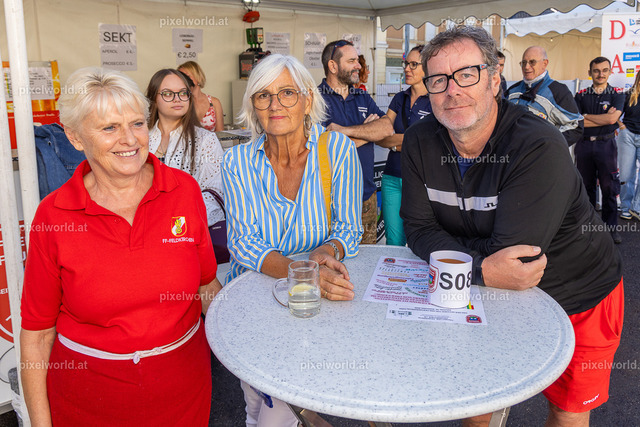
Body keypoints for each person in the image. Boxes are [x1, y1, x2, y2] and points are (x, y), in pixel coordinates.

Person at [401, 26, 623, 427]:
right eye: (438, 80)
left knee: (567, 411)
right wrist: (482, 268)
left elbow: (516, 259)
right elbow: (417, 227)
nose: (452, 90)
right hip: (483, 288)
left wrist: (455, 251)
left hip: (577, 293)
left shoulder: (536, 144)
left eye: (466, 74)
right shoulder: (418, 140)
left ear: (493, 80)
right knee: (476, 400)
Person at [20, 67, 222, 426]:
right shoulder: (54, 215)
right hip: (89, 402)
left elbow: (207, 287)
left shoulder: (184, 191)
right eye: (109, 128)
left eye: (137, 124)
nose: (129, 140)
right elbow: (37, 335)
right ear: (75, 137)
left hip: (183, 392)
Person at [222, 54, 363, 426]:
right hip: (253, 298)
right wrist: (303, 272)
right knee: (257, 401)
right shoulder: (236, 162)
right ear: (253, 105)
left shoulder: (337, 150)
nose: (275, 105)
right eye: (263, 95)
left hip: (314, 304)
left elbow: (349, 228)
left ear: (307, 99)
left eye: (287, 93)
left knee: (282, 405)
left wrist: (326, 250)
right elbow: (243, 242)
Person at [318, 40, 394, 244]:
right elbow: (324, 148)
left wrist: (344, 131)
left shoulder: (362, 96)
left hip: (365, 198)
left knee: (367, 257)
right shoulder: (315, 99)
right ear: (333, 66)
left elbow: (386, 128)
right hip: (329, 202)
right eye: (351, 61)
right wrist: (368, 134)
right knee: (331, 258)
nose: (359, 66)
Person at [146, 68, 225, 227]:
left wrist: (178, 218)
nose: (177, 99)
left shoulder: (205, 139)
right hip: (146, 226)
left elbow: (216, 191)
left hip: (187, 228)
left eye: (183, 93)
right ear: (154, 98)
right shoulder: (140, 139)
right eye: (168, 94)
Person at [377, 45, 432, 246]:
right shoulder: (399, 98)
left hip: (421, 181)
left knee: (421, 241)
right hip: (391, 178)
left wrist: (395, 142)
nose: (407, 69)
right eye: (406, 64)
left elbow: (431, 142)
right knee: (394, 242)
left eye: (413, 64)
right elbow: (381, 135)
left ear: (427, 67)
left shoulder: (436, 99)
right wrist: (409, 141)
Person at [574, 57, 625, 243]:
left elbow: (612, 120)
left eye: (604, 70)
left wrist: (586, 116)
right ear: (590, 73)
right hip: (584, 145)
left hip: (606, 145)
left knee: (609, 188)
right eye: (596, 70)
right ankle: (589, 229)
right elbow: (576, 122)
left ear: (610, 72)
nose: (600, 74)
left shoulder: (617, 94)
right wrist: (602, 118)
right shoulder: (581, 95)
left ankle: (611, 230)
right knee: (586, 188)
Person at [505, 46, 583, 146]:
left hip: (541, 154)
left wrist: (546, 146)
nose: (526, 67)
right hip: (513, 153)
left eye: (532, 62)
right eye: (523, 63)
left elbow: (576, 126)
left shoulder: (558, 91)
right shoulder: (512, 91)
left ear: (545, 63)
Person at [618, 70, 640, 221]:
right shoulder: (627, 95)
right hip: (628, 136)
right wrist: (621, 126)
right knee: (626, 174)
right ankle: (625, 208)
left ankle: (636, 207)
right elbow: (614, 114)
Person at [178, 60, 225, 131]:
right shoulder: (179, 102)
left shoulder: (214, 102)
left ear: (198, 77)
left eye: (187, 76)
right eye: (180, 78)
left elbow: (220, 132)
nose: (184, 80)